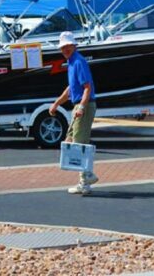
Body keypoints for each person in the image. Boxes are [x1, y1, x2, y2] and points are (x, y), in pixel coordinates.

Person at [49, 31, 99, 195]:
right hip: (78, 105)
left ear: (73, 45)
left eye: (68, 46)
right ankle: (85, 178)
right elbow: (71, 89)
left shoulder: (78, 62)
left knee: (79, 142)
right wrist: (56, 103)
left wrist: (82, 107)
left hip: (84, 105)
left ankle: (86, 179)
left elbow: (87, 88)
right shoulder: (71, 63)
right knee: (71, 140)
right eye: (63, 47)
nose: (65, 50)